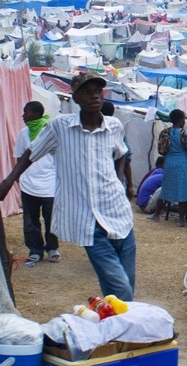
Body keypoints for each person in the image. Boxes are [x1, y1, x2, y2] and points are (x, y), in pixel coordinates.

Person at [0, 72, 136, 300]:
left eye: (98, 91)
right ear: (75, 98)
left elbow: (122, 153)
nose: (94, 96)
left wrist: (120, 180)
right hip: (88, 221)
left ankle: (114, 327)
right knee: (121, 287)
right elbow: (31, 153)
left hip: (119, 213)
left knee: (123, 284)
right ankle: (128, 324)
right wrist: (8, 180)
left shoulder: (114, 126)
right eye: (87, 92)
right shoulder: (60, 128)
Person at [13, 101, 59, 266]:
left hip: (50, 186)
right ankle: (35, 251)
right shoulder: (23, 134)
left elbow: (59, 159)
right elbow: (19, 158)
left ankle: (52, 248)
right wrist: (18, 178)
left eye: (27, 112)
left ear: (38, 114)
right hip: (28, 185)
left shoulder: (50, 133)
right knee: (30, 221)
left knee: (51, 219)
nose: (23, 116)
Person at [148, 109, 187, 227]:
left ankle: (156, 214)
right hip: (183, 163)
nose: (184, 121)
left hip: (169, 162)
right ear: (180, 120)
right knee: (184, 190)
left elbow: (162, 149)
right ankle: (181, 220)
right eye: (184, 119)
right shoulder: (185, 134)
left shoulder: (165, 132)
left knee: (166, 188)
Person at [101, 101, 134, 199]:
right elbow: (126, 160)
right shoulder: (117, 129)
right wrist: (130, 186)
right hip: (115, 180)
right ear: (113, 112)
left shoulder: (90, 129)